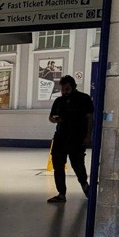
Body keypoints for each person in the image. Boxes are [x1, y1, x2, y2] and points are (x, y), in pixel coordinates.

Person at [47, 74, 94, 203]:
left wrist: (88, 136)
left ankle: (85, 186)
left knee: (77, 164)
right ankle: (61, 193)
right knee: (58, 165)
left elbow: (90, 118)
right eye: (62, 89)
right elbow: (51, 117)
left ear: (73, 87)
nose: (64, 92)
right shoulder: (59, 101)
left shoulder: (84, 99)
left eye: (67, 89)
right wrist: (55, 120)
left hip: (77, 137)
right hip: (61, 137)